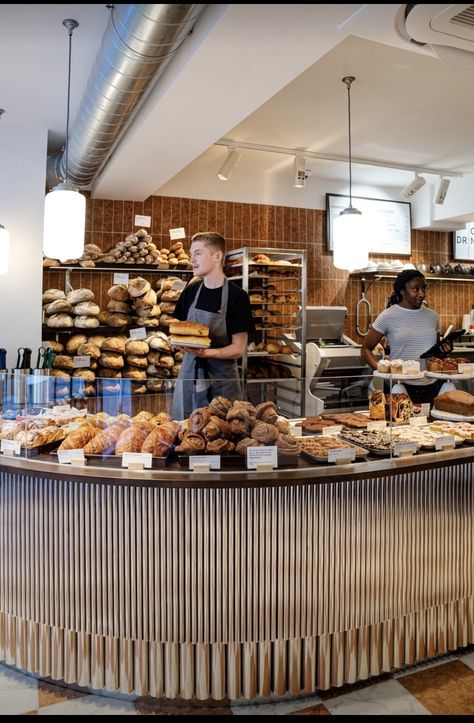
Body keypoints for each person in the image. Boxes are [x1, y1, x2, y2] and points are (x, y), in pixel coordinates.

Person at [171, 232, 255, 419]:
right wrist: (177, 343)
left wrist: (208, 353)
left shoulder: (237, 297)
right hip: (190, 376)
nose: (191, 259)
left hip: (222, 381)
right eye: (191, 254)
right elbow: (178, 330)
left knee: (224, 432)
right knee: (187, 434)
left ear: (217, 257)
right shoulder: (190, 292)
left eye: (198, 253)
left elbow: (238, 349)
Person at [361, 269, 453, 404]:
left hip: (431, 384)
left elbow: (435, 354)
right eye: (415, 289)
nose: (421, 294)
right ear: (402, 290)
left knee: (428, 424)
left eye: (423, 289)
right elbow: (365, 349)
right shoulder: (388, 316)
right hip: (400, 385)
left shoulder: (432, 316)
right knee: (399, 424)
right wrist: (383, 371)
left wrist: (444, 351)